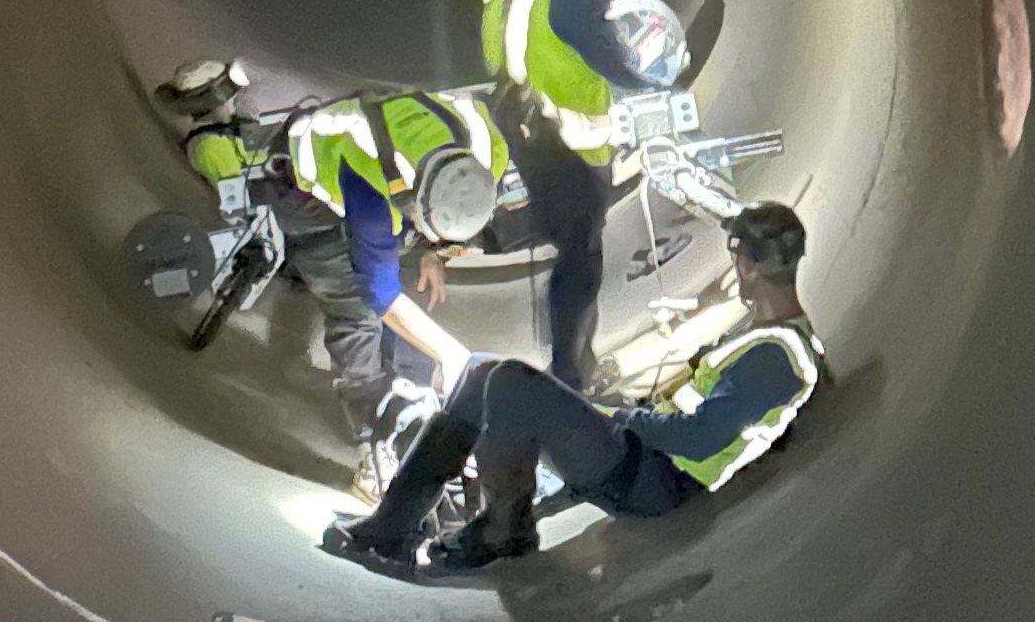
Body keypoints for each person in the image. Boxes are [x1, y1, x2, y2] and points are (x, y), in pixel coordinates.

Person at [323, 202, 825, 573]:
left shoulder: (776, 357)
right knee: (480, 369)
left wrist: (629, 418)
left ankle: (504, 531)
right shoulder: (765, 337)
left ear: (747, 266)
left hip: (659, 485)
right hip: (647, 461)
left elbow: (700, 439)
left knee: (514, 386)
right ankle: (393, 526)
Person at [161, 60, 507, 496]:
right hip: (311, 208)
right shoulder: (361, 173)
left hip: (372, 181)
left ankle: (415, 405)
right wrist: (454, 354)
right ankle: (374, 449)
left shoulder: (485, 147)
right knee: (354, 315)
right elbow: (378, 290)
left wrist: (436, 253)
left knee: (409, 307)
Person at [479, 0, 658, 391]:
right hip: (573, 153)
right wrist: (650, 64)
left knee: (558, 224)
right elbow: (624, 67)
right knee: (580, 263)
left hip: (525, 132)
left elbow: (500, 57)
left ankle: (504, 229)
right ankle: (572, 377)